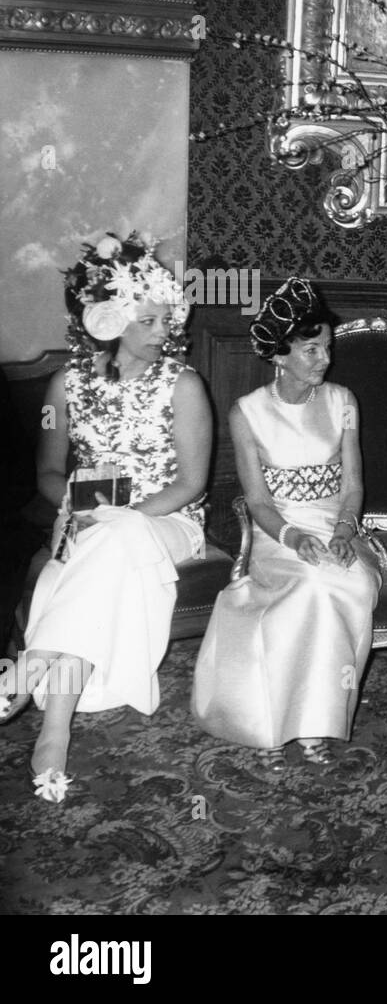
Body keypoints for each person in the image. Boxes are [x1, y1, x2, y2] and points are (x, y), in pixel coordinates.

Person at [0, 232, 211, 803]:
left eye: (168, 318)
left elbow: (191, 483)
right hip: (92, 530)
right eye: (150, 320)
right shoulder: (63, 388)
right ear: (111, 321)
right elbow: (46, 474)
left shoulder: (184, 386)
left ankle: (33, 665)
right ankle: (54, 733)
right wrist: (75, 510)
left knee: (115, 541)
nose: (167, 330)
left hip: (169, 523)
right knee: (100, 559)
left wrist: (120, 516)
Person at [191, 279, 381, 769]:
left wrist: (343, 531)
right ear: (279, 355)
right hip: (281, 534)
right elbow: (256, 500)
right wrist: (294, 538)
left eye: (328, 348)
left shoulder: (344, 401)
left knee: (349, 583)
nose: (325, 359)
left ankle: (316, 721)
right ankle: (273, 722)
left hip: (336, 527)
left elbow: (355, 485)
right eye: (311, 349)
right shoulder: (247, 412)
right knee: (308, 588)